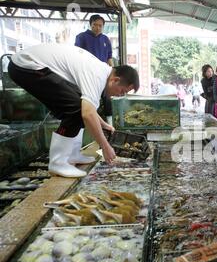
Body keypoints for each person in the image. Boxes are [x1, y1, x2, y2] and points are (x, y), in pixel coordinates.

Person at [8, 43, 139, 178]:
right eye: (122, 91)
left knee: (78, 106)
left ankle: (72, 155)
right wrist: (105, 146)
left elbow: (87, 108)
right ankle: (58, 163)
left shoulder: (101, 72)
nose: (119, 95)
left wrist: (103, 124)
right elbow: (87, 114)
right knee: (75, 110)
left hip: (30, 64)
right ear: (115, 80)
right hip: (26, 65)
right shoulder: (97, 76)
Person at [75, 14, 115, 126]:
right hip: (87, 74)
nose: (97, 27)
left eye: (100, 26)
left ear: (103, 26)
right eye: (95, 25)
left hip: (103, 74)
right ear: (90, 24)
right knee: (91, 100)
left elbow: (109, 58)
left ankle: (110, 124)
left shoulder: (105, 39)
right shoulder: (81, 37)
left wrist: (112, 71)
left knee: (107, 98)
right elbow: (77, 55)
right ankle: (91, 124)